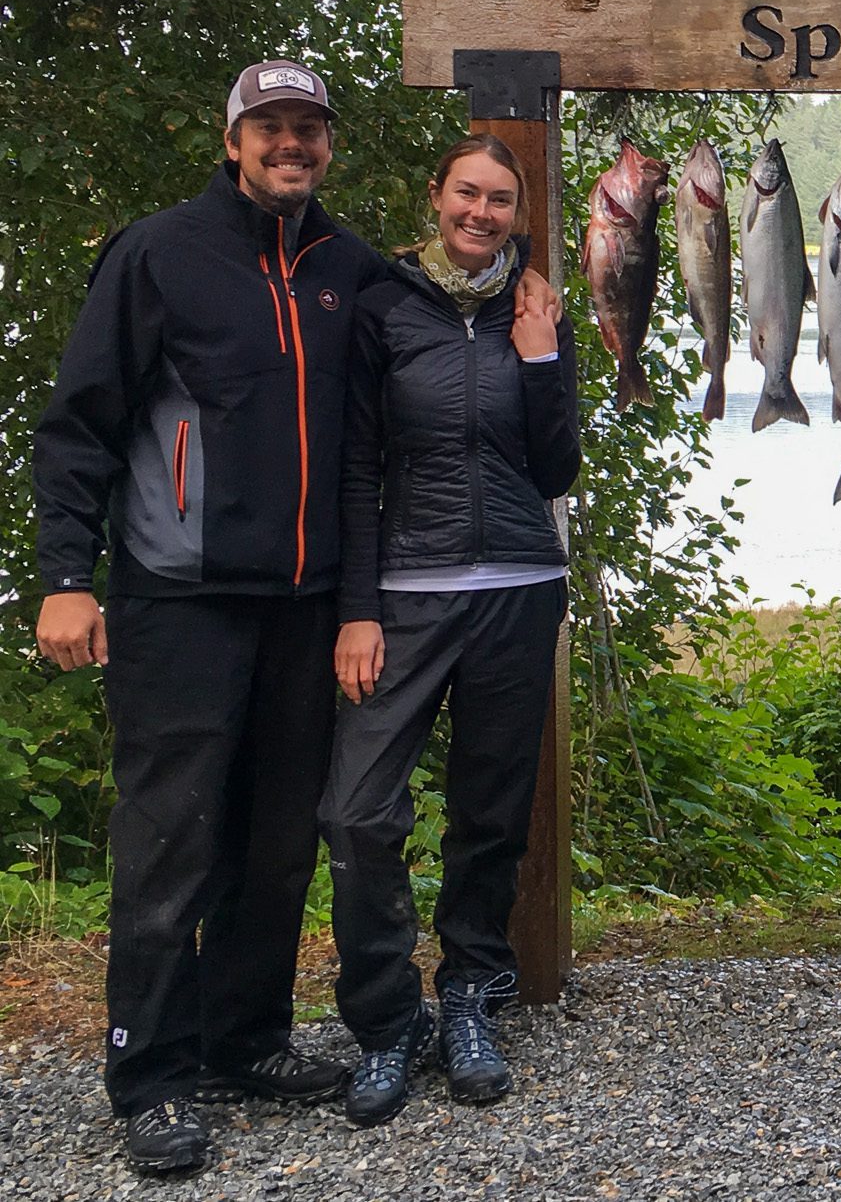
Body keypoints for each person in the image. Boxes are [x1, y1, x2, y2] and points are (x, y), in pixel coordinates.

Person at [32, 62, 560, 1175]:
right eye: (270, 128)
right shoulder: (158, 252)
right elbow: (80, 422)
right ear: (234, 141)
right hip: (178, 595)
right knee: (174, 839)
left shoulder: (348, 269)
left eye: (308, 130)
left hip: (312, 602)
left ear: (327, 146)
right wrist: (65, 574)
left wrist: (529, 323)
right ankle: (154, 1074)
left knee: (278, 842)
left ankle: (247, 1038)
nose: (291, 146)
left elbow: (438, 330)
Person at [323, 133, 579, 1127]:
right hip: (405, 590)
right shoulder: (383, 306)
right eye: (466, 194)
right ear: (435, 197)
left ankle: (470, 995)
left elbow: (555, 469)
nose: (481, 213)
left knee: (490, 813)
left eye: (501, 201)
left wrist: (545, 357)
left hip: (519, 587)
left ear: (517, 214)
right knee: (355, 811)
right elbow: (352, 469)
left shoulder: (536, 307)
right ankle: (390, 1019)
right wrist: (354, 607)